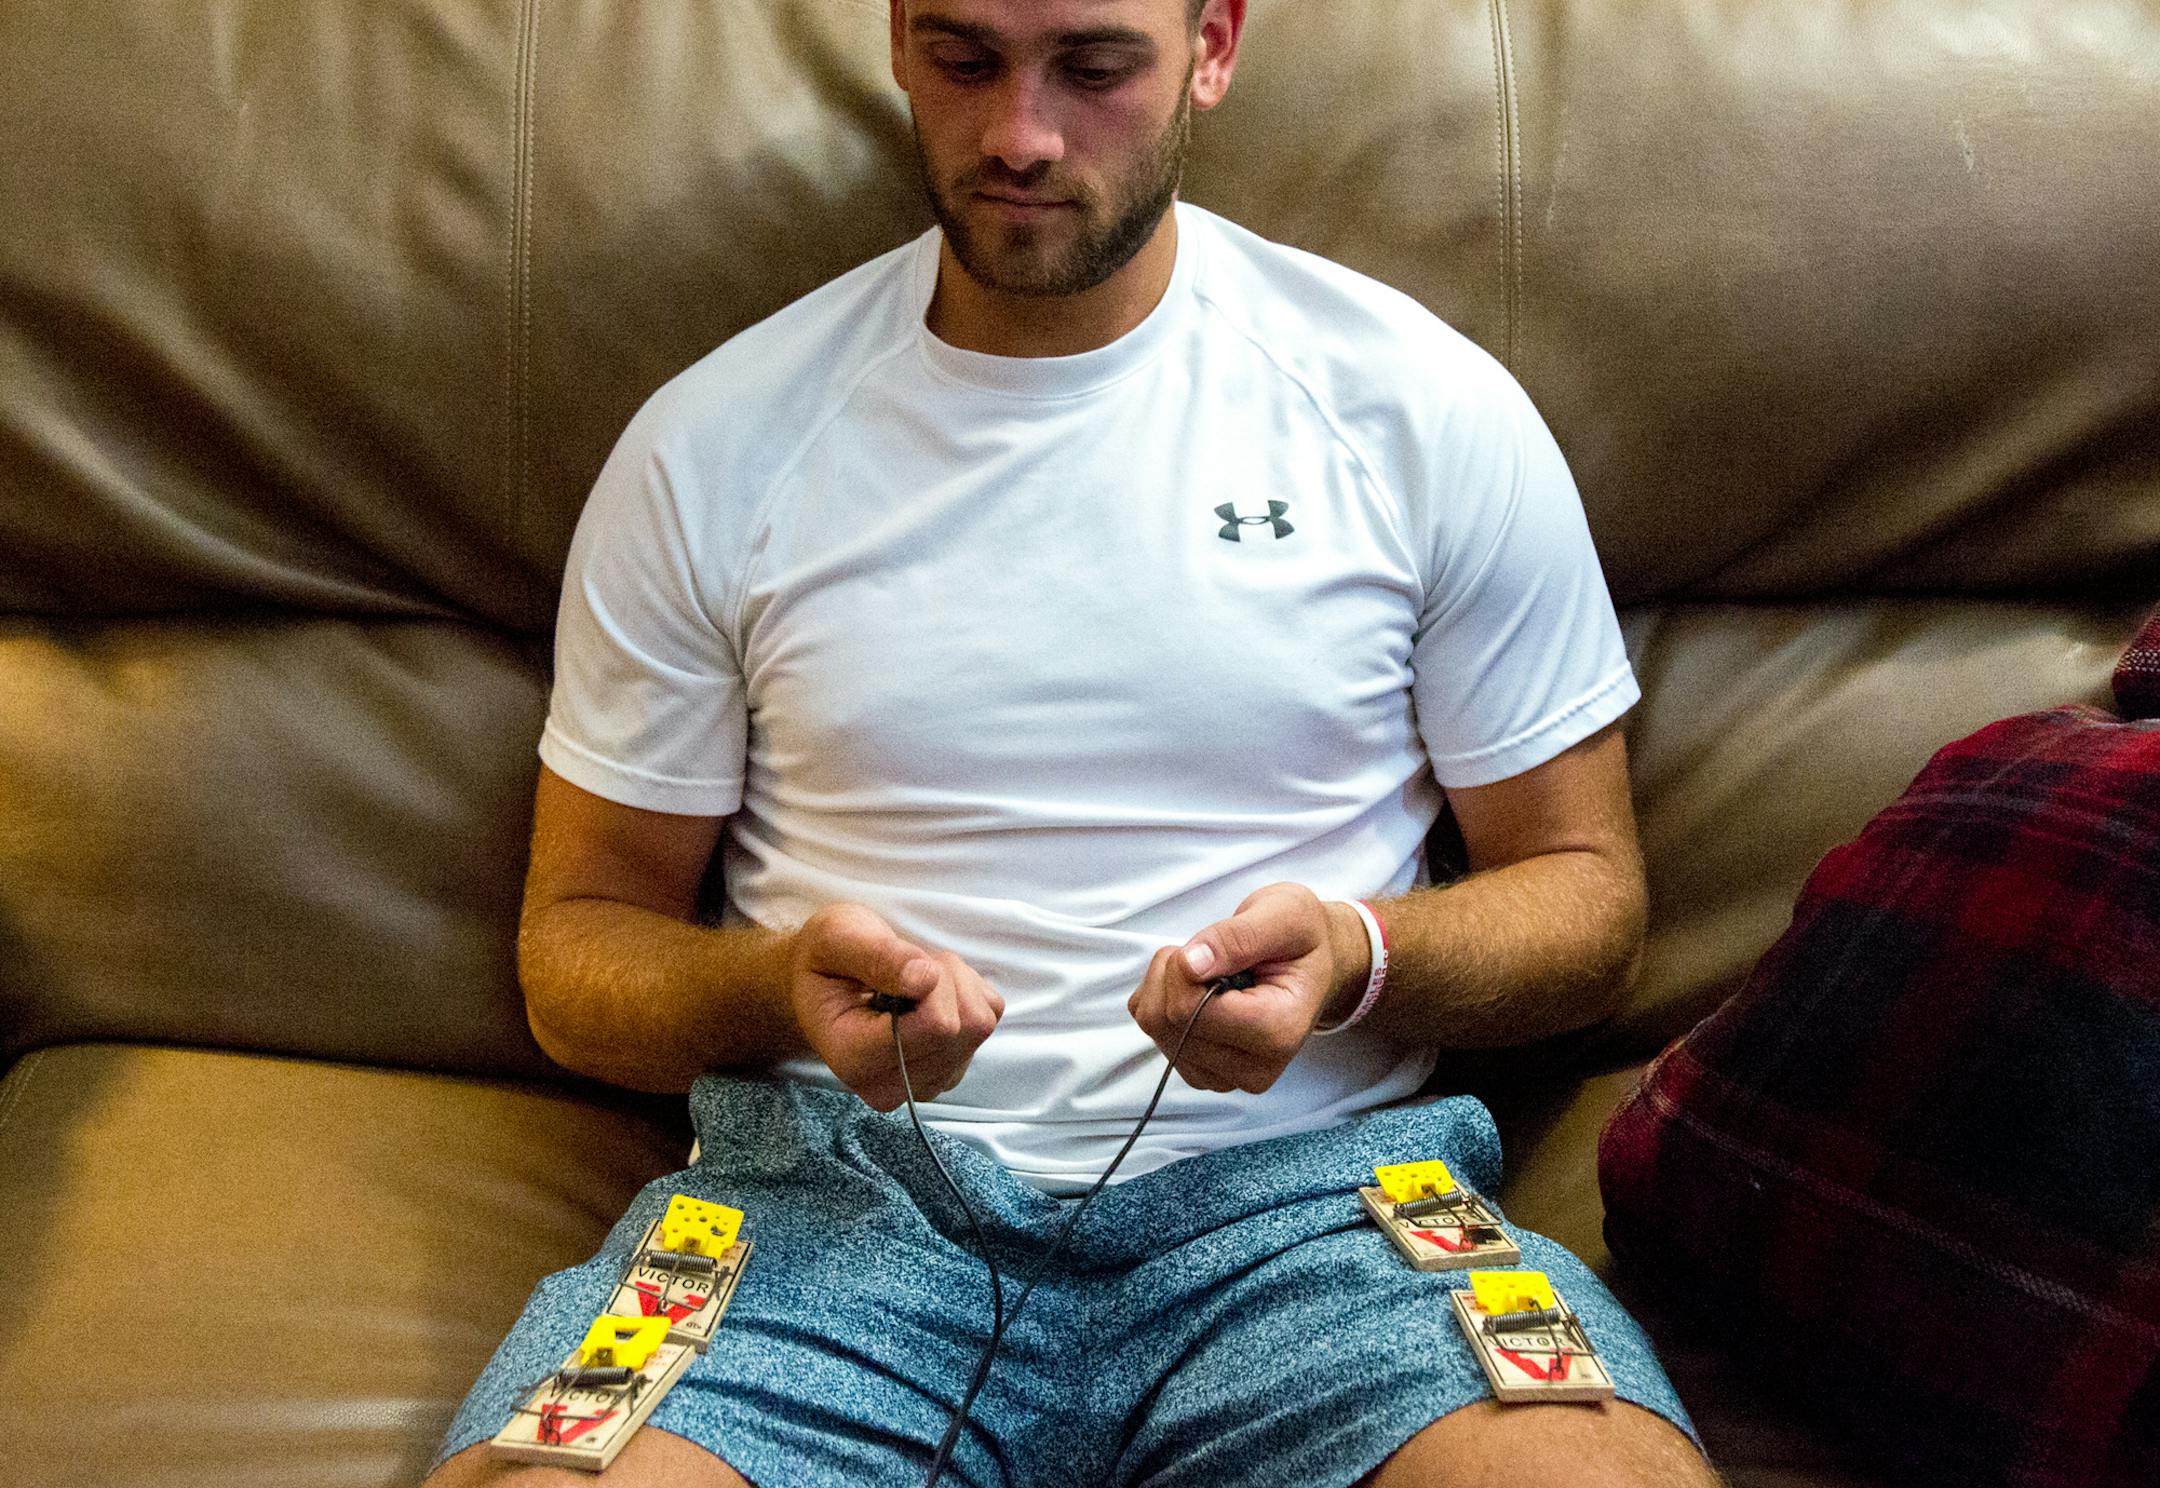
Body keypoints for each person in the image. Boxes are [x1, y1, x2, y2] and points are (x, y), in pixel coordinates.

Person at [429, 1, 1719, 1484]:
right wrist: (778, 984)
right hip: (829, 1222)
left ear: (1214, 47)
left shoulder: (1416, 412)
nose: (1022, 136)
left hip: (1314, 1217)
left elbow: (1587, 898)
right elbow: (578, 961)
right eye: (968, 60)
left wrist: (1362, 955)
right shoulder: (715, 442)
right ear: (901, 41)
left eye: (1096, 69)